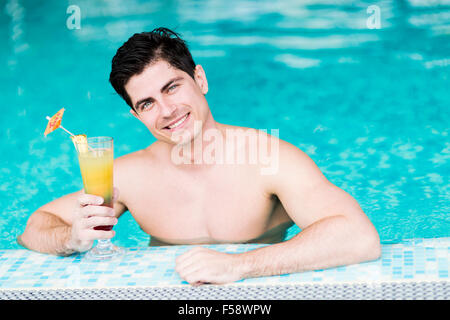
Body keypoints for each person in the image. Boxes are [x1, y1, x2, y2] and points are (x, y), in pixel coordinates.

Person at [18, 27, 381, 285]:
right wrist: (72, 239)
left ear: (200, 80)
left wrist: (239, 266)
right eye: (147, 103)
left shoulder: (268, 157)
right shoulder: (130, 175)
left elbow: (359, 237)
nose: (167, 110)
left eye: (172, 87)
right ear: (137, 116)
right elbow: (34, 227)